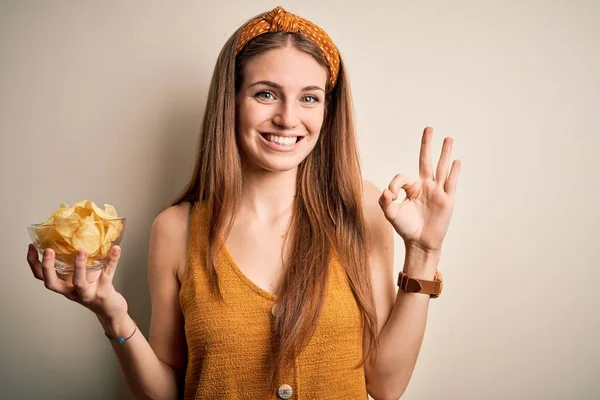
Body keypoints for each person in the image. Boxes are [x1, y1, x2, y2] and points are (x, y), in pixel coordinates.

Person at [26, 5, 461, 400]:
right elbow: (164, 394)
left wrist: (423, 252)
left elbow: (385, 385)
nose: (289, 118)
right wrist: (114, 317)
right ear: (230, 101)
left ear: (327, 110)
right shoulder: (176, 229)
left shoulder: (363, 207)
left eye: (309, 97)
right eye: (265, 93)